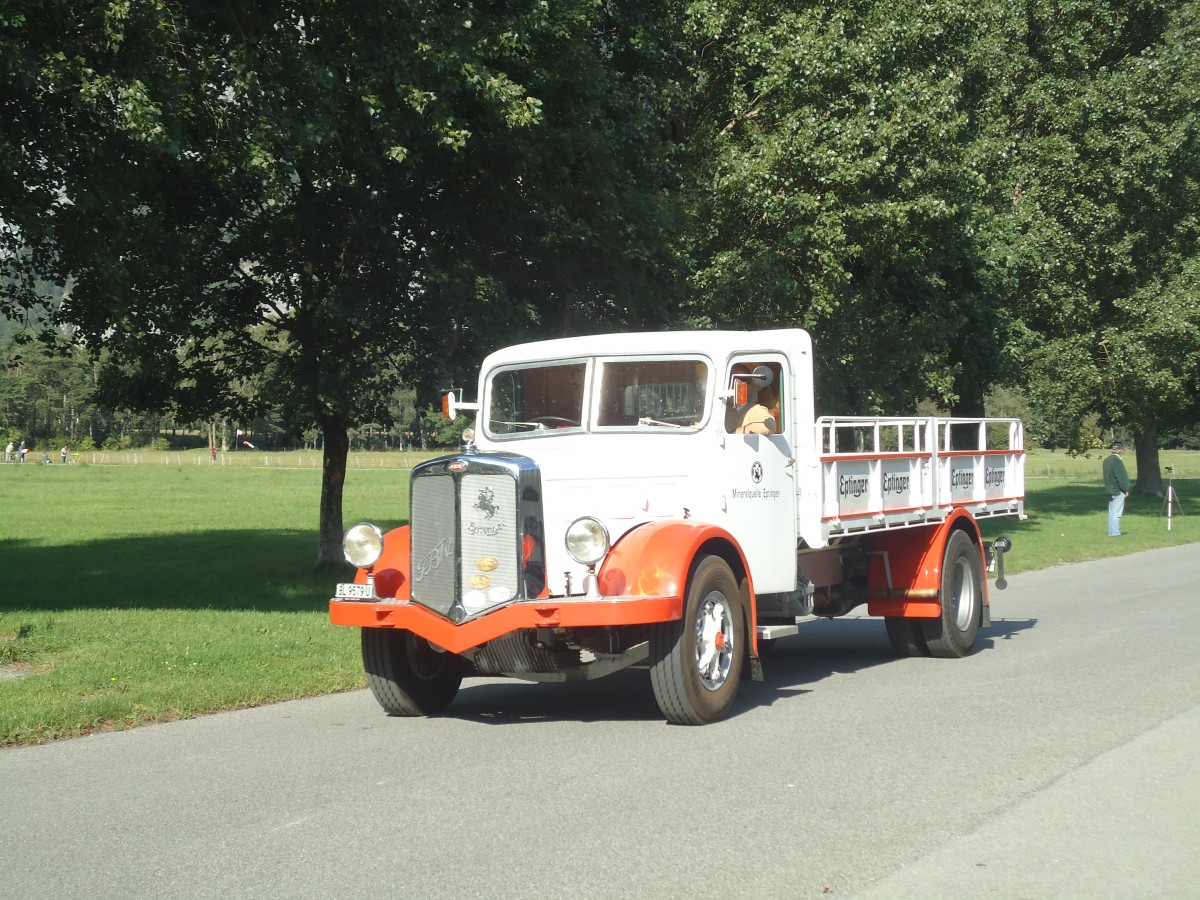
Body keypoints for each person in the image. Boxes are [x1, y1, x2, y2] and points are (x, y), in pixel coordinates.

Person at [724, 364, 776, 435]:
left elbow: (770, 426)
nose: (737, 383)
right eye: (731, 378)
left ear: (749, 388)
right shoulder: (720, 409)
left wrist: (735, 433)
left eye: (744, 380)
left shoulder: (755, 409)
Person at [1103, 442, 1132, 536]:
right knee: (1116, 513)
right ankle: (1115, 533)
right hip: (1117, 490)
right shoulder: (1117, 461)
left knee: (1112, 513)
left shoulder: (1107, 460)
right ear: (1119, 450)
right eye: (1123, 450)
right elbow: (1121, 477)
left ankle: (1111, 532)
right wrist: (1126, 489)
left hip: (1109, 489)